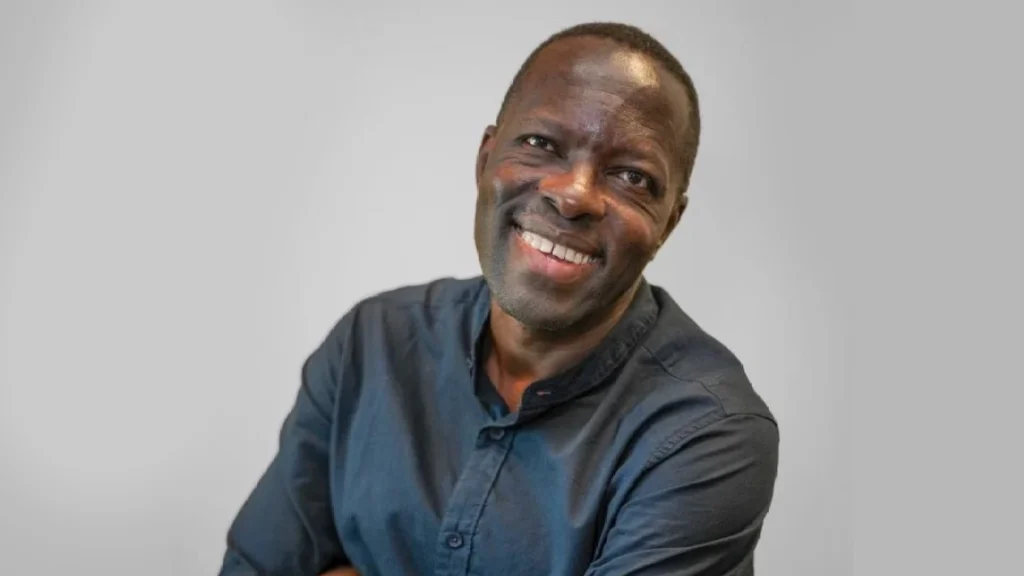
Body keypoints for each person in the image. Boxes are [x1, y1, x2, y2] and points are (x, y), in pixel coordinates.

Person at [219, 21, 779, 576]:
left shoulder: (709, 433)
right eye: (541, 144)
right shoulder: (369, 346)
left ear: (668, 223)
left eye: (631, 177)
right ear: (485, 158)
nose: (574, 194)